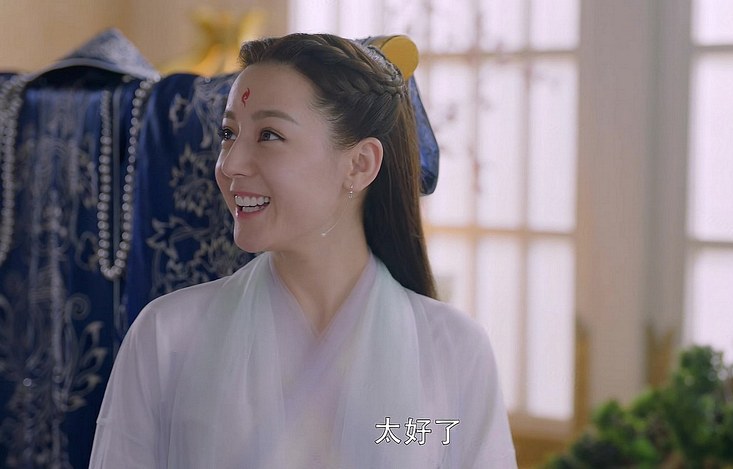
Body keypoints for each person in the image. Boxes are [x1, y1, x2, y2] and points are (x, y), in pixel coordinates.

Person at [89, 33, 516, 468]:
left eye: (269, 135)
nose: (230, 164)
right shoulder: (167, 335)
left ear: (360, 164)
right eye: (228, 133)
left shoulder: (453, 349)